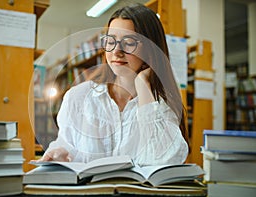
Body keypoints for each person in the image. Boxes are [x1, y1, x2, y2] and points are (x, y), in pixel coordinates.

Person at [38, 3, 189, 166]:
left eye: (129, 42)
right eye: (111, 41)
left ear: (151, 49)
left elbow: (169, 160)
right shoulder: (79, 97)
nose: (117, 51)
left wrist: (144, 88)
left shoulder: (160, 105)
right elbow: (66, 144)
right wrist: (60, 153)